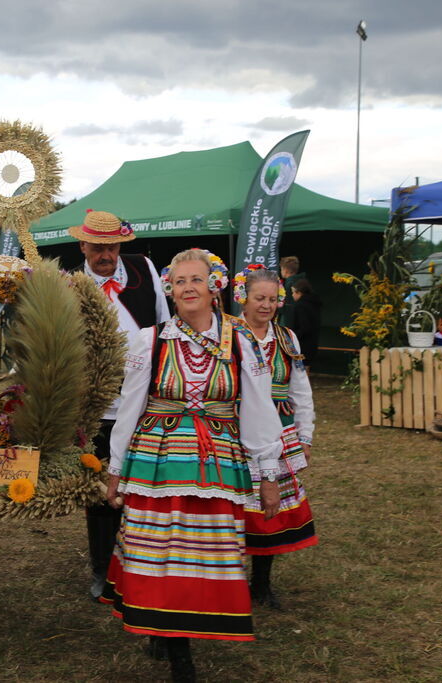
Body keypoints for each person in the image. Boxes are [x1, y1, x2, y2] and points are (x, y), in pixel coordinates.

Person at [101, 249, 282, 683]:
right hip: (157, 465)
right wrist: (116, 467)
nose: (187, 288)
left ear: (214, 286)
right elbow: (130, 407)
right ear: (170, 290)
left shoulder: (241, 341)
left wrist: (270, 474)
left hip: (216, 467)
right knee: (158, 555)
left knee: (200, 558)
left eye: (195, 279)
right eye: (179, 281)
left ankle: (175, 633)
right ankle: (173, 647)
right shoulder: (151, 340)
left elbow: (258, 410)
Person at [68, 209, 171, 601]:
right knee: (99, 495)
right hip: (95, 409)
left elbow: (164, 325)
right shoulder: (69, 282)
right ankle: (101, 568)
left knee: (143, 487)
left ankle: (141, 564)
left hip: (144, 403)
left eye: (111, 247)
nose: (105, 255)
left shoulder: (143, 269)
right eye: (97, 248)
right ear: (83, 246)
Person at [234, 265, 317, 609]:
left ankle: (261, 584)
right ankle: (229, 582)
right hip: (236, 431)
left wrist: (306, 434)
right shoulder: (228, 334)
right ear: (243, 298)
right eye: (259, 298)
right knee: (237, 507)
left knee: (270, 510)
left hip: (280, 434)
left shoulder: (287, 338)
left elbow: (301, 388)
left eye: (272, 299)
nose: (266, 305)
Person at [290, 278, 322, 368]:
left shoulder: (301, 306)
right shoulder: (315, 304)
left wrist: (292, 337)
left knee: (299, 372)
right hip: (312, 345)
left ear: (299, 293)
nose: (292, 295)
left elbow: (304, 328)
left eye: (293, 292)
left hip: (301, 346)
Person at [279, 256, 306, 327]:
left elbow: (284, 304)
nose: (281, 271)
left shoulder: (289, 284)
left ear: (285, 270)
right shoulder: (301, 282)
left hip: (288, 321)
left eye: (281, 269)